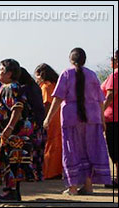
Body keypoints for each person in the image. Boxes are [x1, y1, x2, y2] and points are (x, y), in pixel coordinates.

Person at [43, 48, 111, 195]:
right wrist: (102, 120)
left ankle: (72, 187)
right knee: (89, 150)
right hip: (92, 118)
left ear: (70, 59)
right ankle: (88, 185)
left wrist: (48, 117)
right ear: (84, 60)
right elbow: (100, 100)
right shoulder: (92, 75)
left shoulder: (66, 74)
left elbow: (58, 98)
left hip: (71, 118)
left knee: (72, 150)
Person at [0, 59, 34, 201]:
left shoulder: (12, 87)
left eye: (1, 70)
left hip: (11, 134)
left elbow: (17, 108)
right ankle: (12, 192)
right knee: (11, 162)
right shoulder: (7, 87)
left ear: (9, 73)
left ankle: (11, 192)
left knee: (11, 162)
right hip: (8, 135)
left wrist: (9, 127)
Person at [34, 63, 63, 180]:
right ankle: (57, 171)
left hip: (51, 117)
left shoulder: (45, 87)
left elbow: (47, 104)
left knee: (49, 145)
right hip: (59, 116)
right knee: (57, 145)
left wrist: (45, 119)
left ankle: (49, 172)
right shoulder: (56, 84)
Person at [18, 67, 45, 182]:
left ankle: (28, 174)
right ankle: (38, 173)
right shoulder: (36, 87)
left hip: (29, 123)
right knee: (38, 150)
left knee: (27, 149)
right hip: (39, 121)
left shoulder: (23, 89)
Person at [102, 50, 118, 188]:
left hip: (114, 117)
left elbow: (110, 95)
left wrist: (100, 111)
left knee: (114, 148)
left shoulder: (115, 75)